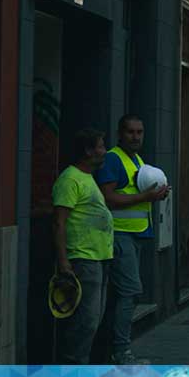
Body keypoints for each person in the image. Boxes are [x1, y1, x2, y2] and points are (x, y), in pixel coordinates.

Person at [95, 114, 169, 365]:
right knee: (130, 292)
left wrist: (155, 195)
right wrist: (147, 196)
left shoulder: (136, 160)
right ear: (119, 133)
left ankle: (107, 350)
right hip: (119, 234)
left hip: (135, 235)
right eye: (130, 132)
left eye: (140, 132)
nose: (136, 137)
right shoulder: (113, 159)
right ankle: (122, 353)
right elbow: (109, 198)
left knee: (120, 296)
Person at [52, 129, 115, 364]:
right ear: (88, 151)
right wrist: (64, 261)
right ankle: (73, 369)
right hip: (82, 258)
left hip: (99, 257)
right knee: (84, 322)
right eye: (100, 146)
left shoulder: (87, 177)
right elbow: (59, 222)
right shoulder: (70, 179)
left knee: (92, 320)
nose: (104, 150)